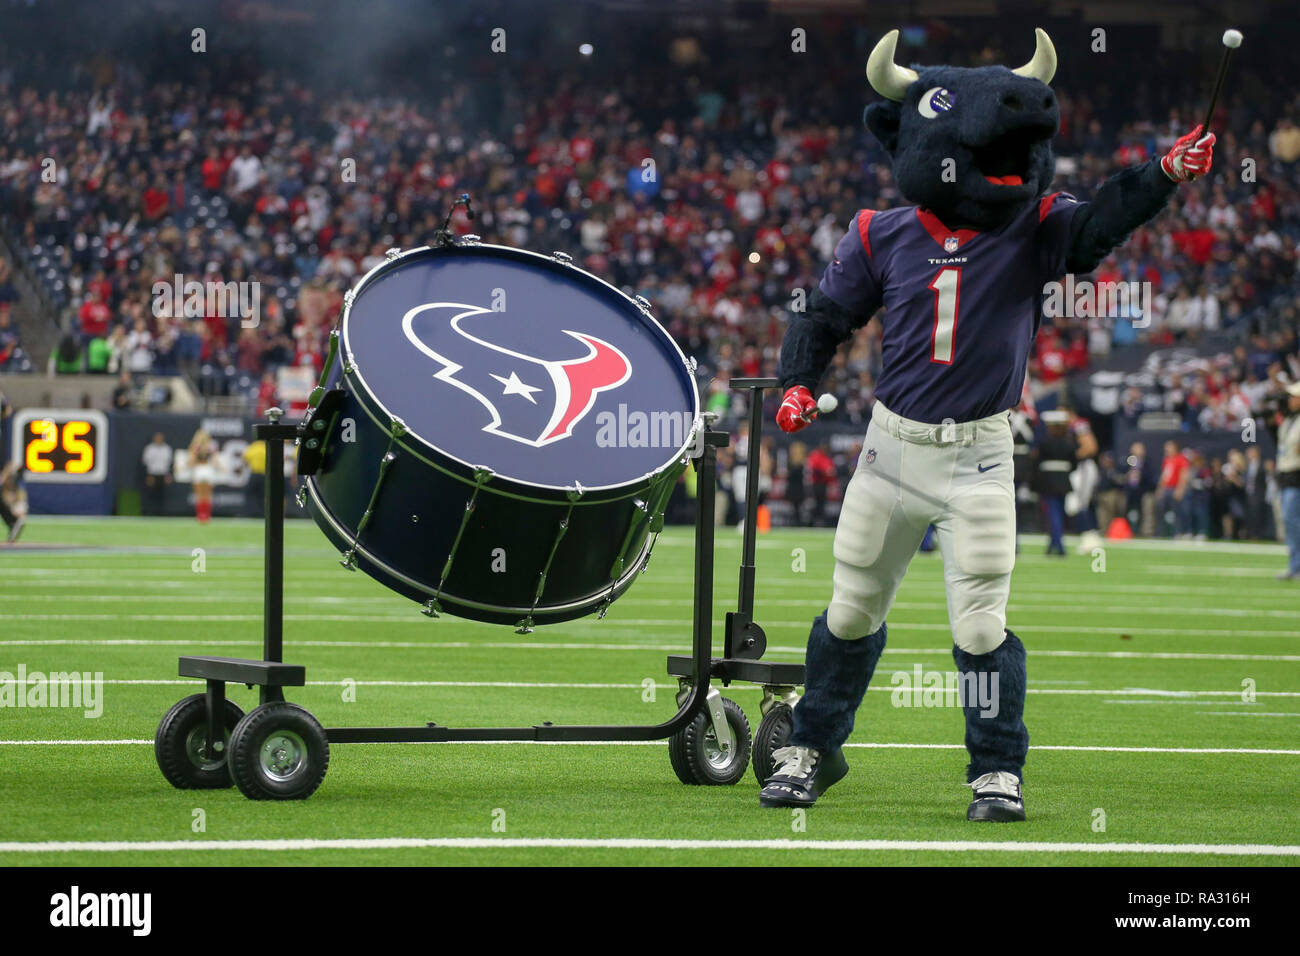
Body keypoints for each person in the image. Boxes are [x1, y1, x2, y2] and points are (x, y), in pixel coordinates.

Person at [762, 27, 1214, 821]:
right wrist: (798, 382)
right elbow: (826, 316)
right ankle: (810, 747)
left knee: (979, 626)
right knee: (849, 610)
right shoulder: (880, 232)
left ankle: (995, 770)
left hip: (978, 455)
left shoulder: (1030, 225)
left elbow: (1103, 220)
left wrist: (1163, 174)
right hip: (892, 449)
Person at [1034, 411, 1074, 555]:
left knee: (1053, 515)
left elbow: (1037, 462)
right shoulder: (1068, 443)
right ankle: (1052, 545)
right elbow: (1073, 463)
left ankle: (1059, 546)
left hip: (1049, 482)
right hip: (1063, 481)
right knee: (1058, 514)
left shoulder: (1045, 443)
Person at [1271, 382, 1300, 580]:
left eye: (1294, 397)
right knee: (1288, 521)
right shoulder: (1290, 421)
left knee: (1291, 519)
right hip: (1285, 475)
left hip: (1296, 475)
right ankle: (1295, 565)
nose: (1290, 400)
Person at [188, 428, 217, 524]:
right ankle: (205, 516)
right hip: (204, 469)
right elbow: (215, 460)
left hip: (202, 469)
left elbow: (191, 461)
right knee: (205, 495)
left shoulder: (206, 447)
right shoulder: (200, 447)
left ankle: (202, 516)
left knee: (201, 495)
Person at [141, 432, 173, 516]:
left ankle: (161, 513)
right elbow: (146, 461)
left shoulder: (167, 448)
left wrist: (168, 475)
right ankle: (150, 512)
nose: (159, 440)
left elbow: (169, 462)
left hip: (163, 474)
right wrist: (149, 475)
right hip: (152, 474)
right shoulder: (149, 448)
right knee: (151, 494)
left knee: (161, 494)